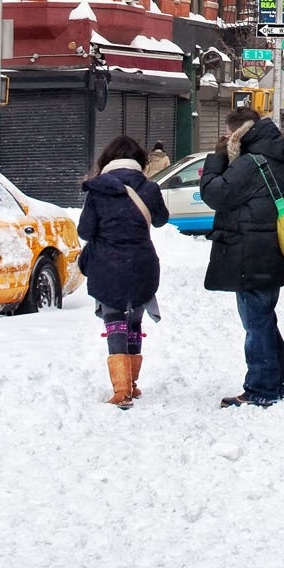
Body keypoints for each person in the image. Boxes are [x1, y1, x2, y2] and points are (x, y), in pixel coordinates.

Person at [201, 105, 284, 408]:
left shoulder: (251, 163)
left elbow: (214, 194)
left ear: (238, 133)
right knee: (265, 319)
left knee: (256, 323)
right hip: (272, 250)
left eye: (229, 135)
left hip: (250, 254)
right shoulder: (280, 156)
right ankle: (280, 384)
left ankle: (262, 389)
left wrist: (216, 157)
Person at [77, 135, 168, 408]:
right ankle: (133, 384)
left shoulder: (97, 190)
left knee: (114, 320)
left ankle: (121, 390)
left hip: (106, 264)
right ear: (139, 161)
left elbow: (84, 231)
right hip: (141, 263)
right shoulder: (149, 188)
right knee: (134, 323)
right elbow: (162, 220)